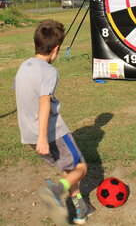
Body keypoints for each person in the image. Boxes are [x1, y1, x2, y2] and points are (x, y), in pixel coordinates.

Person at [13, 20, 93, 225]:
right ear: (56, 49)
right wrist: (43, 136)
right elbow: (44, 102)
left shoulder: (24, 66)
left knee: (69, 171)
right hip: (51, 133)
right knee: (81, 168)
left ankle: (80, 209)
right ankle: (55, 191)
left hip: (28, 134)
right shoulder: (49, 71)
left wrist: (35, 135)